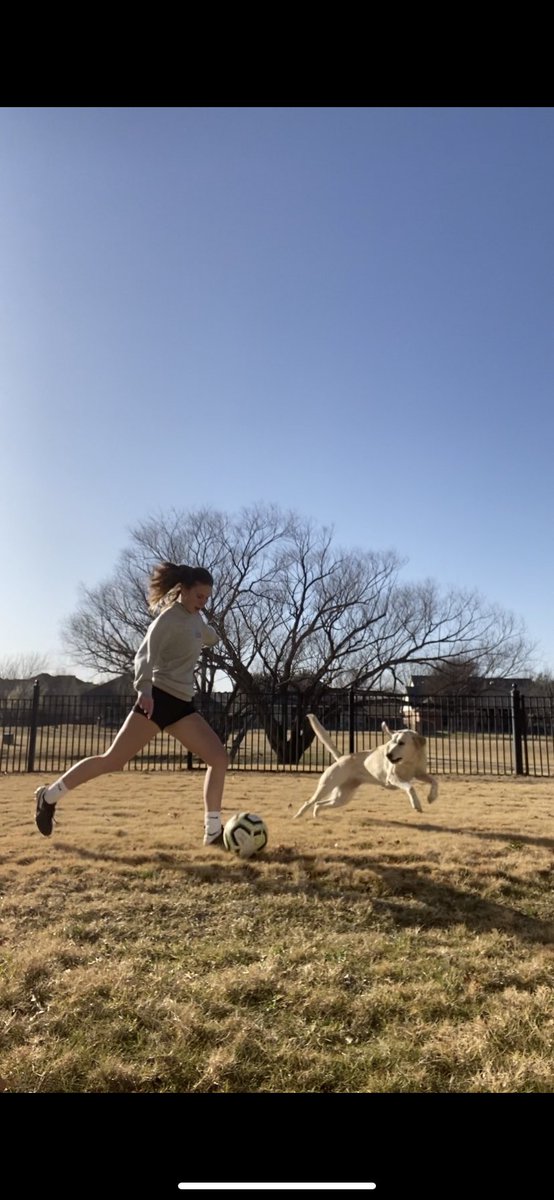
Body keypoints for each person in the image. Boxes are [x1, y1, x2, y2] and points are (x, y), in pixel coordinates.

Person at [34, 562, 229, 847]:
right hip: (157, 700)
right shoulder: (167, 619)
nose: (203, 602)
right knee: (112, 760)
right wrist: (145, 690)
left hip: (182, 707)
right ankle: (48, 797)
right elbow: (144, 657)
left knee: (219, 758)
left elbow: (205, 636)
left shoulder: (195, 619)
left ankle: (212, 831)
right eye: (199, 596)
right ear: (184, 591)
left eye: (207, 598)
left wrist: (213, 634)